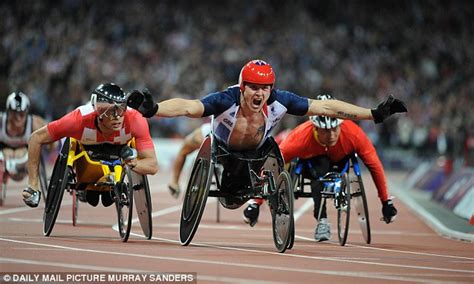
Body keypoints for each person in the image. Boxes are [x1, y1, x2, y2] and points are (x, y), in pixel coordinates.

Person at [127, 59, 406, 209]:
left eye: (266, 88)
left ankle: (266, 200)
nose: (260, 94)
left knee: (277, 148)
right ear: (242, 87)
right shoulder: (226, 99)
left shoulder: (280, 100)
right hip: (223, 151)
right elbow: (189, 106)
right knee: (229, 188)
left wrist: (374, 114)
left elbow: (326, 106)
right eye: (254, 88)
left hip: (258, 154)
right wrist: (154, 110)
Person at [262, 94, 396, 241]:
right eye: (325, 130)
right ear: (315, 128)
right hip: (313, 167)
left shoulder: (354, 134)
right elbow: (272, 165)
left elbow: (374, 165)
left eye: (334, 129)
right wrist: (256, 202)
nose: (331, 135)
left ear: (340, 124)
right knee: (318, 170)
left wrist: (386, 201)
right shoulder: (300, 137)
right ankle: (322, 219)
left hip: (341, 163)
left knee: (330, 163)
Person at [23, 83, 158, 208]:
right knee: (92, 197)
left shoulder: (135, 120)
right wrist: (33, 185)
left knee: (106, 199)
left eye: (121, 109)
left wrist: (134, 164)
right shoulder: (78, 120)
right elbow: (36, 138)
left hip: (118, 154)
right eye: (110, 111)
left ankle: (106, 188)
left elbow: (152, 165)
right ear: (98, 113)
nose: (117, 116)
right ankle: (88, 188)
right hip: (86, 157)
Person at [0, 91, 49, 205]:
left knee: (39, 155)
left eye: (21, 114)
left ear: (27, 112)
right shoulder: (1, 121)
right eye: (14, 113)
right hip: (4, 161)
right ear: (8, 112)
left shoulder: (35, 123)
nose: (18, 118)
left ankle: (46, 194)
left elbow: (52, 144)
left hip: (25, 162)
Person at [168, 122, 211, 198]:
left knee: (183, 151)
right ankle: (174, 182)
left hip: (209, 132)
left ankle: (174, 181)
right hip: (215, 134)